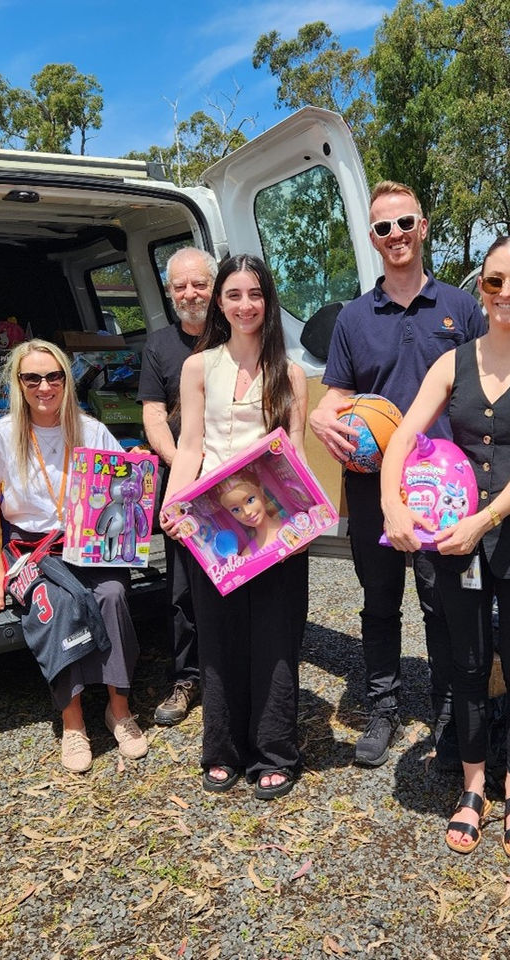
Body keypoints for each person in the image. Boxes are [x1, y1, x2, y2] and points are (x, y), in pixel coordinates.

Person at [382, 235, 510, 859]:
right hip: (456, 541)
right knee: (466, 667)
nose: (506, 295)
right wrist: (393, 503)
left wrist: (485, 520)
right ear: (481, 287)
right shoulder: (454, 361)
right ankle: (473, 788)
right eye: (495, 282)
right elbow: (401, 437)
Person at [310, 181, 488, 768]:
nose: (396, 235)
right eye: (383, 228)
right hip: (373, 486)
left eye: (405, 222)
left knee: (442, 603)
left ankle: (446, 715)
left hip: (443, 488)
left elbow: (488, 383)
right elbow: (337, 393)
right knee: (379, 600)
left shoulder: (460, 309)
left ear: (424, 225)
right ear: (373, 238)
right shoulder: (354, 317)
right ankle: (382, 708)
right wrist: (320, 413)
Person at [161, 254, 309, 800]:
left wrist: (307, 521)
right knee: (219, 638)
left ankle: (274, 751)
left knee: (274, 639)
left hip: (273, 525)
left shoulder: (289, 373)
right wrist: (173, 505)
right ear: (220, 303)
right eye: (234, 295)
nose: (244, 306)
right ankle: (222, 749)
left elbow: (292, 457)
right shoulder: (199, 368)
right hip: (212, 526)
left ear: (268, 302)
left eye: (255, 294)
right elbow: (191, 445)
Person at [0, 339, 150, 773]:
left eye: (54, 377)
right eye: (33, 378)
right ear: (19, 383)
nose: (45, 387)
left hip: (89, 543)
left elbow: (121, 484)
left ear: (66, 381)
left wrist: (136, 463)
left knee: (110, 596)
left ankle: (119, 710)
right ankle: (72, 724)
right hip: (31, 549)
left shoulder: (90, 429)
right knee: (58, 606)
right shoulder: (0, 434)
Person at [139, 247, 218, 726]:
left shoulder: (236, 336)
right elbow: (152, 413)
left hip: (236, 484)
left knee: (235, 577)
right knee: (183, 588)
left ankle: (232, 671)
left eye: (198, 284)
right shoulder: (159, 346)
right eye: (180, 286)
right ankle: (187, 677)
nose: (190, 294)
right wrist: (180, 469)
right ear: (169, 292)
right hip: (183, 484)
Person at [214, 469, 284, 556]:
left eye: (250, 500)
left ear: (261, 490)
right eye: (236, 510)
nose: (247, 512)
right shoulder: (248, 555)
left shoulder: (297, 524)